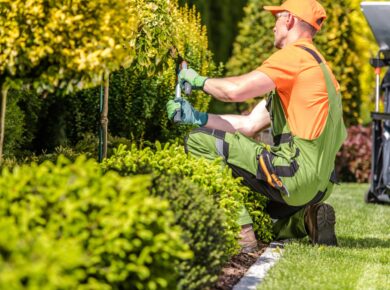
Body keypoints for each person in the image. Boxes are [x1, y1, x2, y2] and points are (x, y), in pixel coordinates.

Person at [167, 0, 347, 251]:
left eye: (276, 19)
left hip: (294, 175)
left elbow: (234, 92)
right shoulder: (320, 69)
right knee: (260, 211)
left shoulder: (294, 57)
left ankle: (240, 232)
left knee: (197, 140)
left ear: (290, 20)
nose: (273, 27)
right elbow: (250, 124)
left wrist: (198, 80)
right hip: (319, 186)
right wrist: (197, 117)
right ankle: (305, 220)